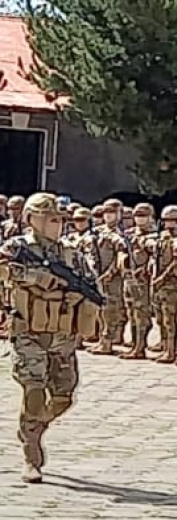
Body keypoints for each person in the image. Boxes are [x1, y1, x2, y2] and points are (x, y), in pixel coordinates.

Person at [0, 193, 100, 483]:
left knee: (63, 397)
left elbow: (91, 283)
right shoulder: (17, 247)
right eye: (51, 219)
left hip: (62, 335)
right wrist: (36, 278)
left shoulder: (71, 254)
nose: (58, 225)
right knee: (33, 389)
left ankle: (33, 426)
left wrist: (78, 294)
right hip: (29, 332)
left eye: (60, 219)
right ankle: (31, 453)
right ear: (32, 219)